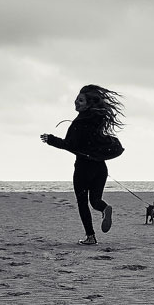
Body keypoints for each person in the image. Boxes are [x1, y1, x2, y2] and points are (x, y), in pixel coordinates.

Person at [40, 85, 123, 245]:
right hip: (100, 168)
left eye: (80, 100)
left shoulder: (79, 123)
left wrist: (51, 140)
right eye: (77, 99)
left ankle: (90, 237)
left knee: (83, 202)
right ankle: (105, 209)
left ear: (88, 104)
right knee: (96, 201)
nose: (76, 102)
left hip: (83, 169)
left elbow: (69, 145)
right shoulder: (97, 122)